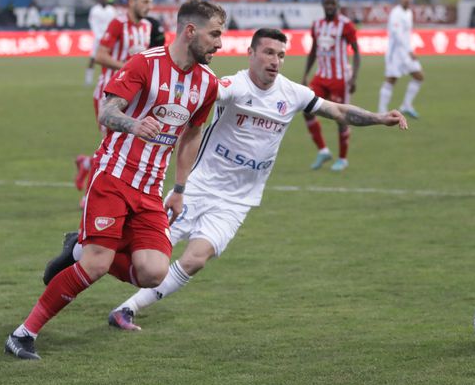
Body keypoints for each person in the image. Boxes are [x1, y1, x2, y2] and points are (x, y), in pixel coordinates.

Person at [95, 29, 408, 329]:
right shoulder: (233, 86)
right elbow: (196, 90)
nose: (275, 61)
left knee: (196, 260)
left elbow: (337, 110)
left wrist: (379, 118)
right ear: (251, 54)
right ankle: (83, 251)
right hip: (198, 186)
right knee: (145, 253)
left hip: (238, 199)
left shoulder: (292, 93)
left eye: (281, 55)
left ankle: (127, 309)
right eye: (269, 52)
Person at [5, 0, 227, 361]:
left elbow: (191, 135)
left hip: (151, 190)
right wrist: (134, 124)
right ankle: (23, 334)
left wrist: (180, 188)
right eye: (215, 34)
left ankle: (80, 246)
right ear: (190, 31)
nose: (220, 43)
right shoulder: (144, 63)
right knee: (96, 265)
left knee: (153, 273)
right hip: (113, 177)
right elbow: (108, 112)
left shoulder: (207, 83)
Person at [74, 0, 154, 190]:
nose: (149, 6)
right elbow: (100, 56)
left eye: (150, 2)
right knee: (110, 146)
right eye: (144, 2)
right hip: (108, 93)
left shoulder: (147, 26)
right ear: (132, 2)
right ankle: (90, 197)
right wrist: (129, 67)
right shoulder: (117, 24)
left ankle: (86, 164)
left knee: (124, 147)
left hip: (133, 95)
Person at [301, 0, 360, 171]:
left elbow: (357, 51)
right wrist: (305, 74)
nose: (330, 7)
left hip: (340, 79)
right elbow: (313, 50)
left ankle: (342, 158)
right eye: (327, 3)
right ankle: (323, 150)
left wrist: (354, 78)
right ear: (322, 5)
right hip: (321, 77)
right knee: (306, 108)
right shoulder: (317, 25)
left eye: (333, 3)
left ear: (338, 5)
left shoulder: (346, 25)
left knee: (341, 118)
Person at [379, 0, 425, 119]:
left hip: (406, 53)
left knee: (419, 76)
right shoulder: (396, 13)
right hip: (396, 54)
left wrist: (409, 50)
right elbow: (397, 35)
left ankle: (406, 105)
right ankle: (382, 111)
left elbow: (406, 35)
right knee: (391, 80)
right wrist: (409, 50)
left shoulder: (409, 12)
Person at [84, 0, 118, 86]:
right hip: (98, 38)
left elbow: (114, 24)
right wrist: (98, 35)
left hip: (110, 39)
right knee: (93, 58)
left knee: (111, 59)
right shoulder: (95, 10)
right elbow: (93, 23)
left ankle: (111, 79)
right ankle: (88, 80)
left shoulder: (112, 10)